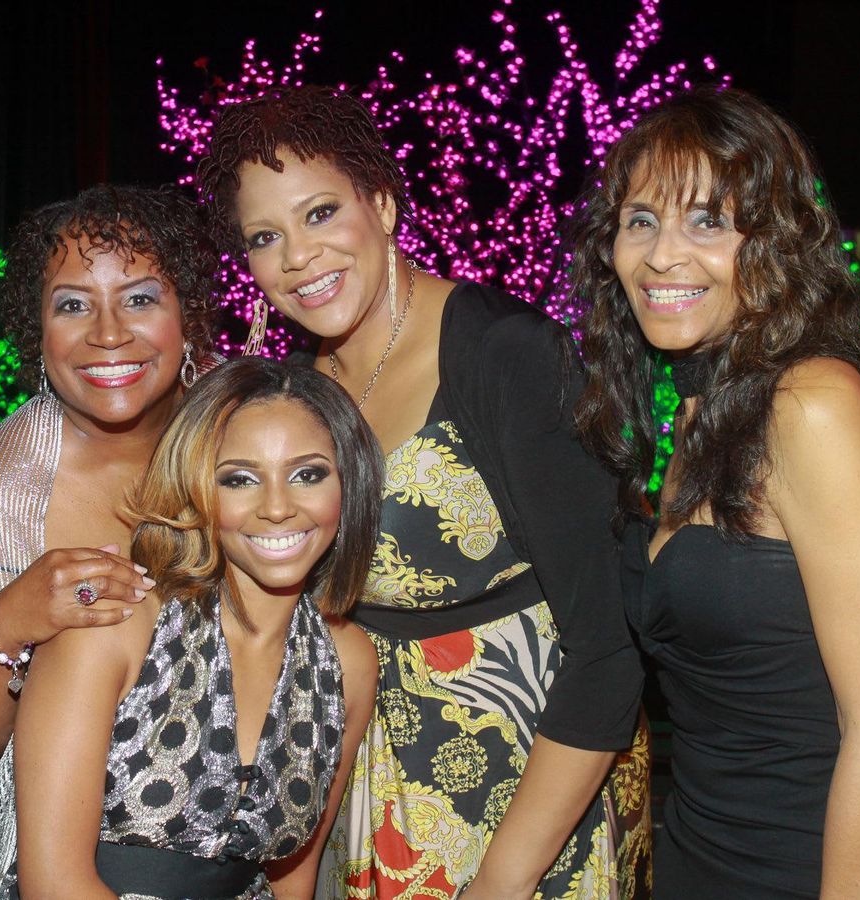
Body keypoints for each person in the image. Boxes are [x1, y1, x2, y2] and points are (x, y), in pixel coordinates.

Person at [198, 86, 650, 900]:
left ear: (383, 202)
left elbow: (608, 643)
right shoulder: (296, 393)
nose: (298, 257)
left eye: (322, 213)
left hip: (531, 785)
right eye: (266, 237)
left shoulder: (504, 355)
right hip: (370, 787)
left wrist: (507, 877)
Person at [571, 86, 860, 897]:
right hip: (699, 854)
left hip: (817, 866)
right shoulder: (690, 409)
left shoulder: (810, 403)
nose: (662, 254)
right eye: (640, 220)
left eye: (708, 221)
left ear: (776, 241)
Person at [0, 184, 219, 898]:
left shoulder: (248, 431)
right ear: (38, 332)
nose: (108, 332)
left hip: (243, 822)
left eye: (142, 297)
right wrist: (10, 623)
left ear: (191, 315)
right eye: (72, 304)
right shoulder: (3, 484)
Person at [0, 357, 381, 898]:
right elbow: (54, 883)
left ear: (350, 485)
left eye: (308, 474)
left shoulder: (347, 661)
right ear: (198, 488)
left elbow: (294, 876)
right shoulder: (113, 625)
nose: (278, 508)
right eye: (240, 479)